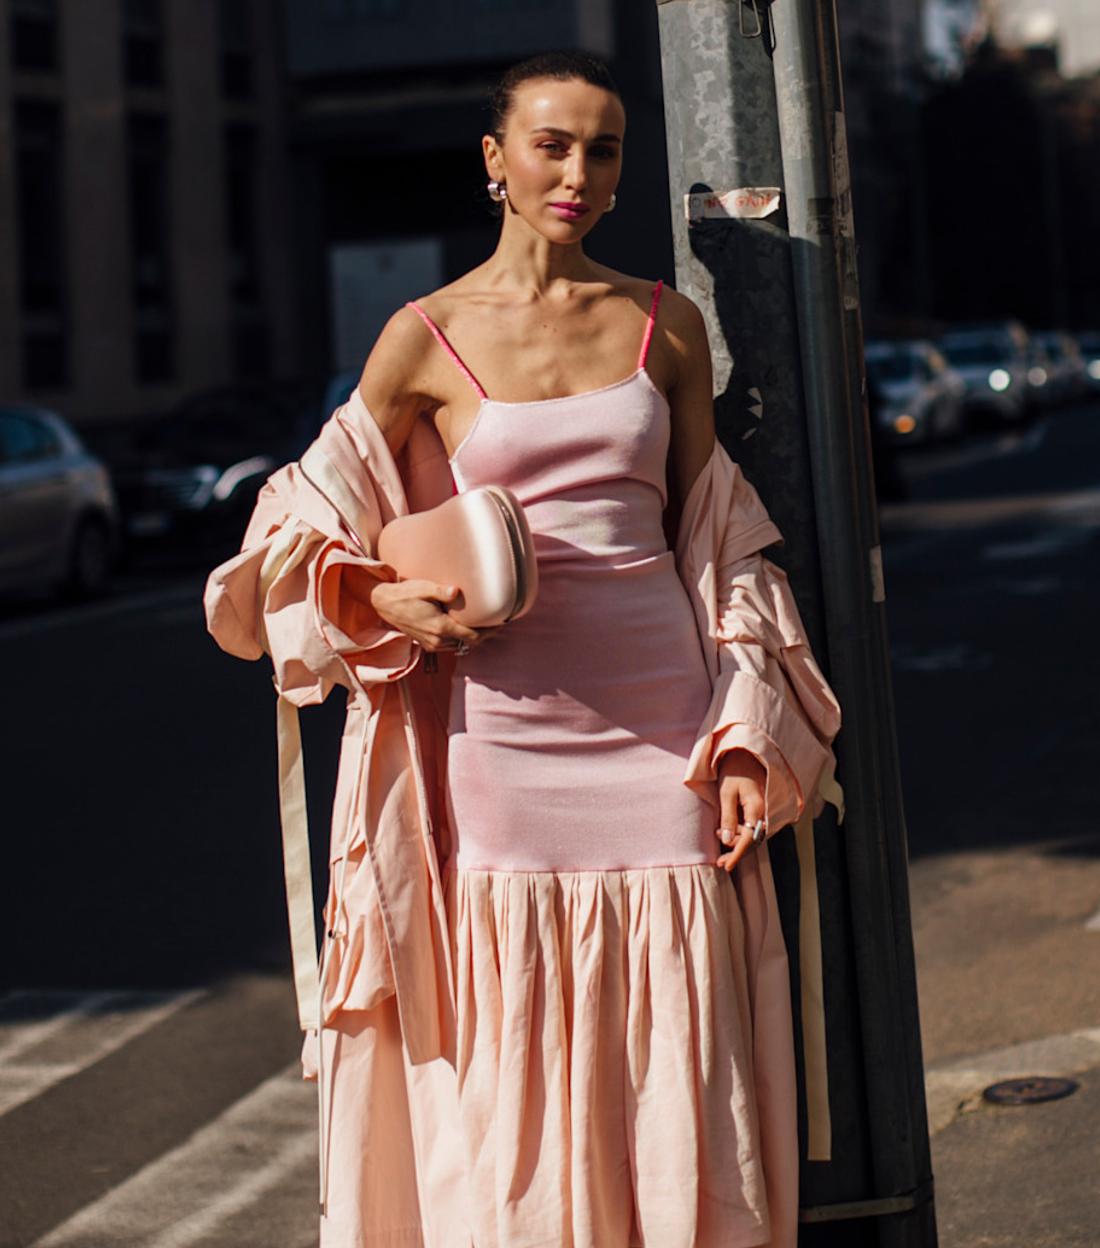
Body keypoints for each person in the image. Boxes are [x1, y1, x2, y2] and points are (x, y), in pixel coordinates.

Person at [205, 47, 842, 1248]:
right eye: (552, 144)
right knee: (518, 1040)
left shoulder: (667, 325)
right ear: (495, 160)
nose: (580, 171)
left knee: (678, 1032)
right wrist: (377, 598)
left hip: (667, 729)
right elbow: (299, 523)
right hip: (503, 736)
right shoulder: (424, 337)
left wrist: (748, 730)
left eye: (603, 148)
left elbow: (725, 547)